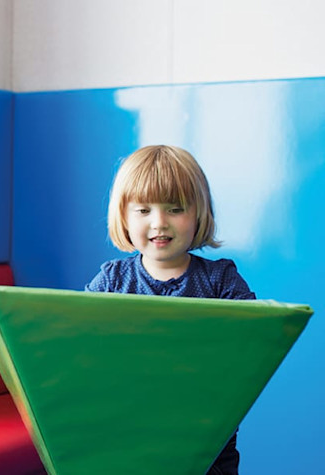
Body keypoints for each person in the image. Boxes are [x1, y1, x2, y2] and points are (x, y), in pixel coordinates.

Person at [85, 144, 255, 475]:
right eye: (143, 210)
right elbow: (74, 340)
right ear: (123, 216)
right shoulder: (112, 281)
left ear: (199, 214)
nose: (159, 223)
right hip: (125, 436)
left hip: (207, 441)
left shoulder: (220, 280)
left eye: (175, 209)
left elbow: (256, 339)